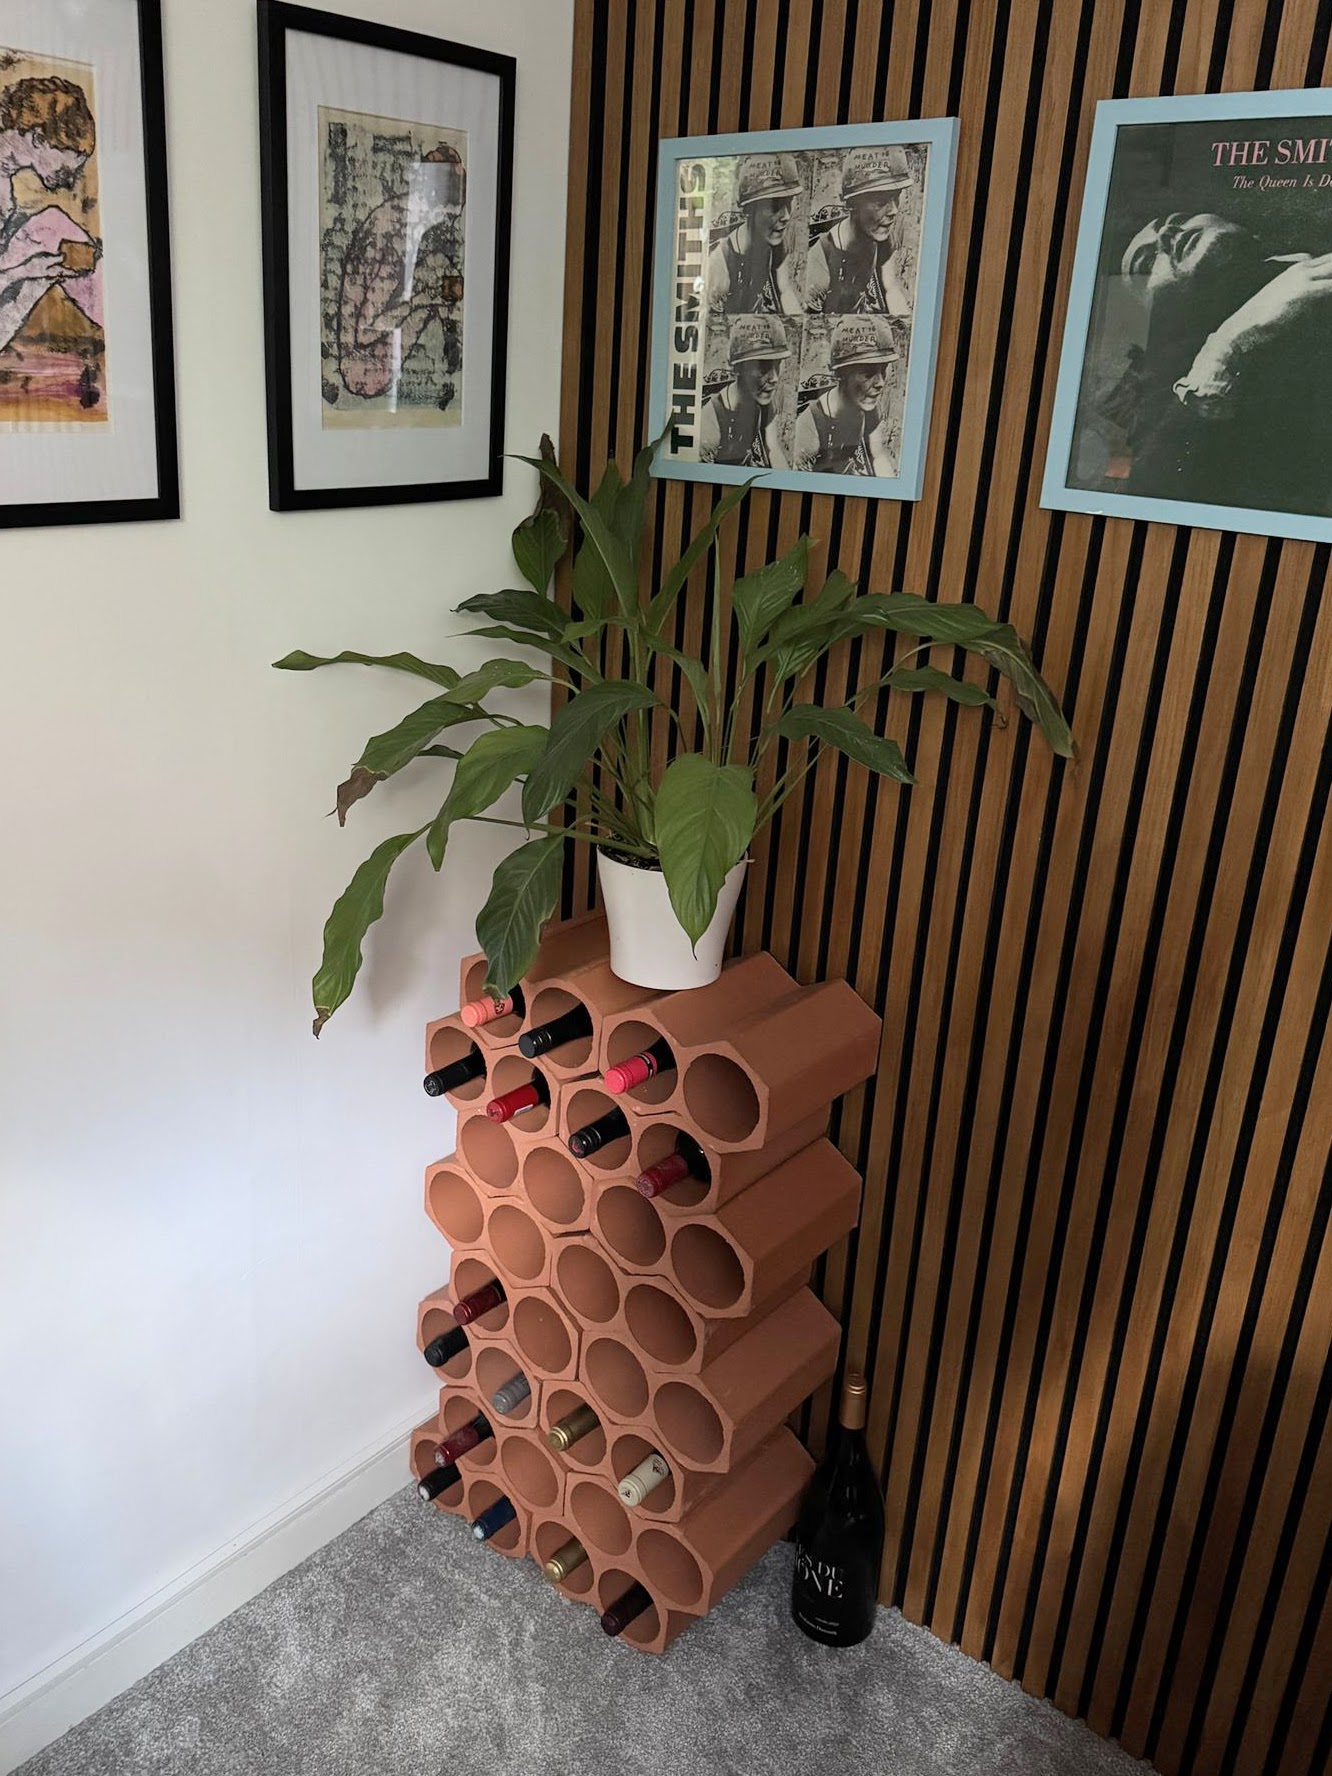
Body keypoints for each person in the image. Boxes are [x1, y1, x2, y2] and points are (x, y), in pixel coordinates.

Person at [1105, 210, 1332, 514]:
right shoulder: (1164, 393)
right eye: (1146, 262)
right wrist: (1229, 344)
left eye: (1177, 218)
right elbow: (1153, 495)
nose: (1167, 234)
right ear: (1155, 315)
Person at [333, 142, 466, 408]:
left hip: (379, 337)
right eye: (445, 215)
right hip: (365, 366)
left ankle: (456, 358)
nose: (447, 222)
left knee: (443, 273)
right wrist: (422, 301)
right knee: (438, 278)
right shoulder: (395, 233)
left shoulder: (408, 217)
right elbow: (366, 332)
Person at [0, 75, 102, 361]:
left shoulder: (5, 182)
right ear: (38, 139)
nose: (68, 181)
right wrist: (24, 271)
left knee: (53, 232)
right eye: (65, 168)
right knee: (52, 227)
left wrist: (30, 273)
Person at [805, 144, 914, 316]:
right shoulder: (821, 261)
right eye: (880, 202)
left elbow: (891, 287)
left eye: (896, 196)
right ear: (851, 204)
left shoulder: (881, 236)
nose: (894, 210)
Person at [794, 314, 898, 476]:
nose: (880, 382)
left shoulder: (868, 409)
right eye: (867, 373)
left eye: (883, 370)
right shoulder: (811, 425)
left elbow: (878, 457)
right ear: (839, 373)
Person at [706, 152, 804, 316]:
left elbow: (784, 290)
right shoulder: (721, 261)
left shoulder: (776, 242)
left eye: (788, 203)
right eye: (775, 207)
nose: (786, 216)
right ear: (750, 210)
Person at [699, 314, 791, 468]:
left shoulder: (763, 401)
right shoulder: (710, 422)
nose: (774, 378)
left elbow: (773, 449)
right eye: (763, 367)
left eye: (778, 364)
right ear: (738, 368)